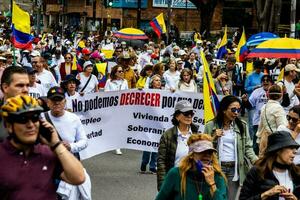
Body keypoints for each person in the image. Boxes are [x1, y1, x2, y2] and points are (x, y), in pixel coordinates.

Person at [0, 95, 85, 199]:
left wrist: (56, 145)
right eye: (23, 119)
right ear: (9, 126)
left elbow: (79, 178)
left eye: (35, 118)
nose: (31, 125)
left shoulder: (47, 153)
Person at [204, 95, 258, 200]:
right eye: (233, 109)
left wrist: (256, 161)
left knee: (231, 198)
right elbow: (203, 147)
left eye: (238, 110)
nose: (236, 113)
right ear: (224, 110)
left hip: (235, 169)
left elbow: (247, 147)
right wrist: (214, 137)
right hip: (217, 168)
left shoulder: (242, 125)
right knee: (216, 197)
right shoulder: (210, 125)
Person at [156, 134, 227, 200]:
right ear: (191, 155)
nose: (207, 155)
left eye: (210, 152)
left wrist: (212, 184)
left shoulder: (218, 177)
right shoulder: (176, 174)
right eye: (202, 151)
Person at [240, 131, 300, 200]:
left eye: (295, 148)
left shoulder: (296, 173)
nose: (295, 151)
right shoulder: (257, 171)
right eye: (290, 147)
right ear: (278, 150)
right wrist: (266, 194)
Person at [157, 100, 199, 190]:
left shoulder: (197, 134)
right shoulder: (167, 135)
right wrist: (162, 187)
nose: (189, 116)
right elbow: (161, 162)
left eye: (191, 113)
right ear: (177, 116)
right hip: (174, 181)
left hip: (192, 182)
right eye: (186, 113)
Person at [256, 85, 288, 156]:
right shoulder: (279, 108)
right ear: (281, 95)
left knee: (264, 163)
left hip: (264, 138)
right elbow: (282, 127)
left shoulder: (264, 107)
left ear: (268, 95)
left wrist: (259, 140)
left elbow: (260, 125)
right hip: (274, 140)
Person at [104, 65, 128, 155]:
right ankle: (114, 145)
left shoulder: (125, 81)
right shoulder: (109, 82)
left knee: (120, 126)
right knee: (113, 126)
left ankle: (117, 145)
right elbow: (106, 93)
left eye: (122, 71)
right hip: (112, 107)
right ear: (115, 73)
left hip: (121, 107)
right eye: (119, 71)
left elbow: (127, 92)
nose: (121, 73)